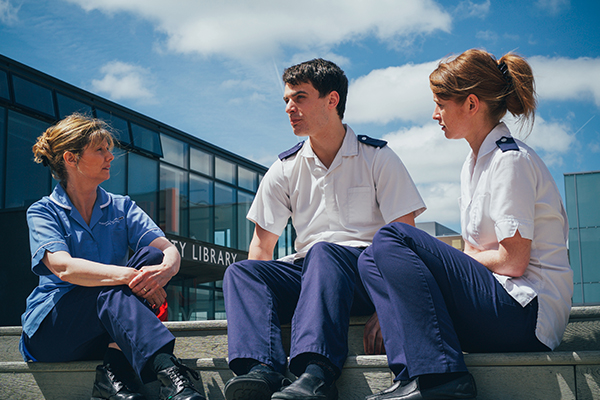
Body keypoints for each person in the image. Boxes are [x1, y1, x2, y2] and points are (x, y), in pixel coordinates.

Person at [358, 49, 574, 400]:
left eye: (441, 104)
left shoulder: (510, 160)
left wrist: (425, 268)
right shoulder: (472, 165)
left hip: (525, 314)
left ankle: (442, 378)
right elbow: (474, 251)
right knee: (371, 258)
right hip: (495, 302)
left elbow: (513, 260)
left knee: (393, 236)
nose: (434, 114)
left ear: (471, 104)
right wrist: (399, 295)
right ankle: (412, 375)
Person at [222, 58, 426, 400]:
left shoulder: (377, 157)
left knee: (324, 251)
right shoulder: (284, 169)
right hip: (311, 276)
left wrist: (389, 303)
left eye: (300, 98)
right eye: (286, 100)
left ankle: (316, 375)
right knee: (243, 272)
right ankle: (261, 371)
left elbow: (407, 239)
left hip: (365, 273)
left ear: (332, 100)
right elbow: (261, 249)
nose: (289, 108)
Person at [20, 114, 205, 400]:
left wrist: (165, 271)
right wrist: (132, 279)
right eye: (100, 150)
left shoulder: (121, 206)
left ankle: (114, 373)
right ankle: (167, 369)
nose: (111, 157)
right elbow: (64, 268)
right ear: (71, 158)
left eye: (109, 149)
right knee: (110, 290)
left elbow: (166, 250)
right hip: (54, 333)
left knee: (151, 256)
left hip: (106, 325)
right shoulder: (43, 211)